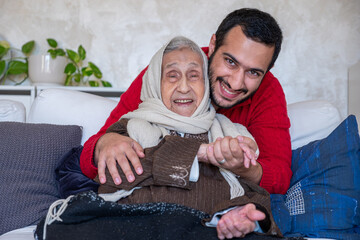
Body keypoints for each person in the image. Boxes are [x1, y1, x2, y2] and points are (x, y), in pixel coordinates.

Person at [80, 8, 292, 195]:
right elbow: (91, 154)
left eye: (253, 72)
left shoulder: (268, 91)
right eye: (230, 62)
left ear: (267, 71)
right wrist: (104, 144)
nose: (236, 83)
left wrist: (244, 168)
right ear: (213, 45)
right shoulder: (168, 70)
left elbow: (280, 176)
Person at [95, 36, 282, 239]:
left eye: (194, 76)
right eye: (172, 76)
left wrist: (240, 215)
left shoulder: (232, 134)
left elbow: (257, 193)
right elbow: (109, 183)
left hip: (210, 232)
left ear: (206, 84)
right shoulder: (128, 127)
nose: (184, 87)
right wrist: (198, 153)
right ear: (154, 84)